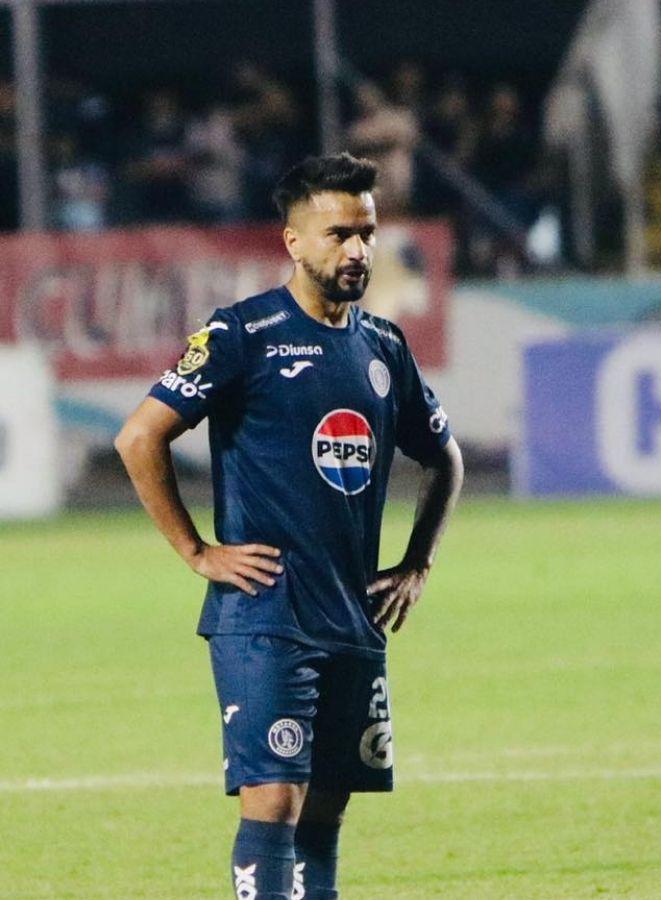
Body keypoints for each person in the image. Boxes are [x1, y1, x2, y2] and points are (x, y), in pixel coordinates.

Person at [114, 153, 463, 899]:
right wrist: (196, 551)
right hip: (265, 614)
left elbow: (446, 458)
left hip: (351, 614)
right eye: (339, 234)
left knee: (327, 806)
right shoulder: (242, 334)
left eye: (367, 232)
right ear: (293, 242)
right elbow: (139, 436)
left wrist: (417, 563)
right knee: (274, 798)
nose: (358, 250)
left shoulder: (383, 345)